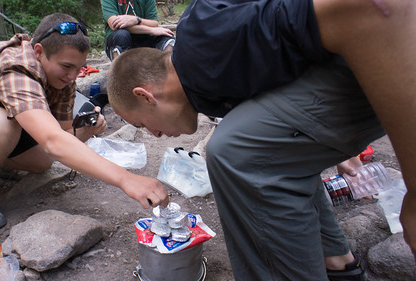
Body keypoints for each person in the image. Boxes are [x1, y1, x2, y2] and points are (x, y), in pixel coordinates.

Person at [106, 0, 416, 280]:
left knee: (232, 151)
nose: (156, 136)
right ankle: (337, 263)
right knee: (257, 142)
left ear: (145, 96)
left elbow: (374, 9)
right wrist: (329, 152)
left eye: (143, 125)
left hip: (390, 54)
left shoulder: (209, 42)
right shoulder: (204, 78)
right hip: (356, 60)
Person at [0, 13, 169, 233]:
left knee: (41, 162)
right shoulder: (20, 67)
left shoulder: (63, 80)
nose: (73, 76)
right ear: (38, 52)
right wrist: (126, 179)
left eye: (79, 68)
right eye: (66, 66)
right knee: (0, 127)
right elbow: (53, 141)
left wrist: (87, 131)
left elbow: (61, 135)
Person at [101, 0, 175, 60]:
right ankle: (121, 74)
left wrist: (137, 20)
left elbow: (154, 23)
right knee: (122, 35)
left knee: (167, 35)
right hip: (119, 39)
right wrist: (151, 30)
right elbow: (115, 25)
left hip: (143, 38)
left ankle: (166, 71)